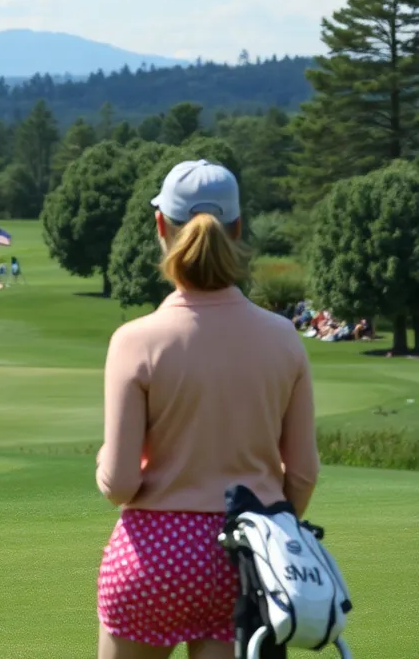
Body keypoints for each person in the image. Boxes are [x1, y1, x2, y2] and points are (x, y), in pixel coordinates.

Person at [94, 160, 320, 659]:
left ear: (161, 227)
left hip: (151, 559)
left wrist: (102, 465)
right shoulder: (284, 339)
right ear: (239, 229)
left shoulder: (135, 340)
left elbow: (120, 484)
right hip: (243, 560)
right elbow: (302, 473)